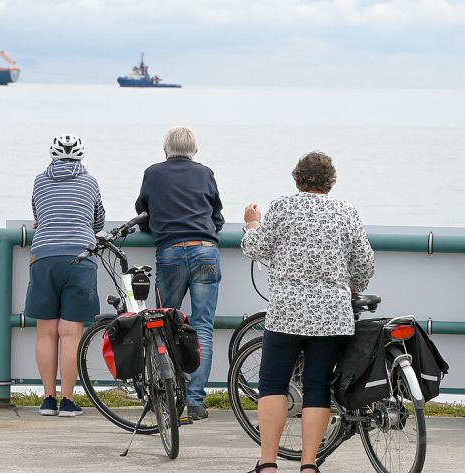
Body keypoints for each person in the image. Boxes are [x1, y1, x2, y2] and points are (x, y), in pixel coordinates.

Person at [241, 151, 375, 473]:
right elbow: (364, 263)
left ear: (296, 178)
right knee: (318, 386)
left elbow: (255, 248)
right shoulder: (345, 211)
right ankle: (309, 465)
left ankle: (268, 464)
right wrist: (352, 286)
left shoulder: (284, 207)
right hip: (331, 314)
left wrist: (251, 224)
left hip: (286, 310)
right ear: (331, 182)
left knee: (272, 384)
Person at [134, 126, 223, 421]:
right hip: (206, 251)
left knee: (165, 324)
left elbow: (144, 214)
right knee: (203, 327)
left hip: (170, 252)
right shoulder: (206, 173)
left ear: (165, 150)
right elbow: (217, 217)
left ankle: (172, 395)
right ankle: (196, 401)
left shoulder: (153, 173)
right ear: (194, 151)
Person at [26, 134, 105, 417]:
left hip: (44, 256)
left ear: (52, 156)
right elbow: (98, 221)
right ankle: (68, 401)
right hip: (79, 258)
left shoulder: (39, 180)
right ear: (81, 157)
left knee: (47, 332)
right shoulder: (90, 181)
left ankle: (48, 399)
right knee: (70, 334)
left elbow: (37, 213)